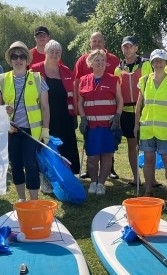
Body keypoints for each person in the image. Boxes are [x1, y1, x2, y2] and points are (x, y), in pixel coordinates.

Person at [0, 41, 50, 202]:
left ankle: (34, 200)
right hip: (11, 131)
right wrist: (5, 121)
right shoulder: (2, 79)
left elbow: (45, 106)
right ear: (10, 60)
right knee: (15, 164)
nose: (18, 60)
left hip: (32, 131)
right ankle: (21, 199)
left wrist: (45, 130)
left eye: (22, 56)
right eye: (15, 56)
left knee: (30, 163)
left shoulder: (38, 78)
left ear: (27, 60)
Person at [134, 49, 167, 202]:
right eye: (155, 61)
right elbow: (139, 105)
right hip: (147, 128)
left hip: (166, 130)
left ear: (166, 63)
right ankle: (148, 190)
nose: (158, 63)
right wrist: (136, 124)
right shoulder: (144, 80)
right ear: (152, 63)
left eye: (161, 60)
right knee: (148, 159)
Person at [74, 32, 121, 179]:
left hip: (108, 122)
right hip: (91, 123)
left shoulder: (113, 72)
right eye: (94, 41)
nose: (97, 43)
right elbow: (79, 96)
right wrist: (82, 116)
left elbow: (119, 98)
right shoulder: (83, 72)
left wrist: (117, 116)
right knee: (92, 154)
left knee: (107, 153)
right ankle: (92, 177)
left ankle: (104, 178)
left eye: (100, 41)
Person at [32, 39, 79, 174]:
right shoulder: (35, 70)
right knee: (45, 147)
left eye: (57, 52)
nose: (54, 54)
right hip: (44, 116)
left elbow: (73, 94)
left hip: (65, 116)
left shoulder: (66, 71)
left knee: (67, 146)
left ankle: (68, 173)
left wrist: (75, 114)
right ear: (45, 53)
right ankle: (45, 176)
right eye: (51, 51)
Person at [114, 36, 156, 187]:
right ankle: (135, 178)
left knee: (148, 145)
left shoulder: (145, 64)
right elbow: (117, 93)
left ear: (136, 48)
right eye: (125, 47)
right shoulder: (118, 69)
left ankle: (152, 179)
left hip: (144, 111)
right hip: (126, 112)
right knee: (132, 145)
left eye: (130, 46)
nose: (128, 49)